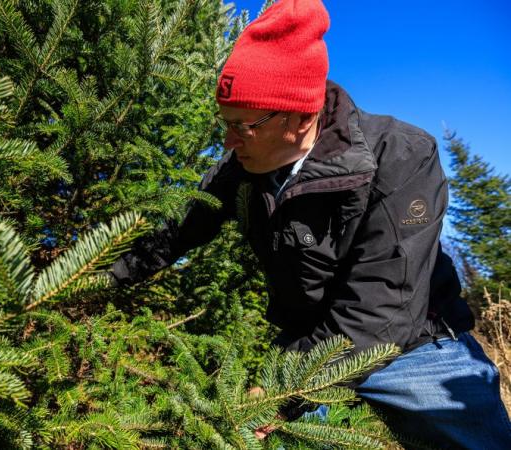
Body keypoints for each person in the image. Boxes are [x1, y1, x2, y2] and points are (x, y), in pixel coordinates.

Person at [109, 0, 511, 447]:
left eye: (244, 125)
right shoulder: (242, 164)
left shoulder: (401, 156)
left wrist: (282, 386)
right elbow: (173, 231)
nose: (228, 140)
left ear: (300, 116)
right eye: (226, 123)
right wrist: (87, 276)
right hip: (307, 343)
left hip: (414, 346)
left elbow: (382, 309)